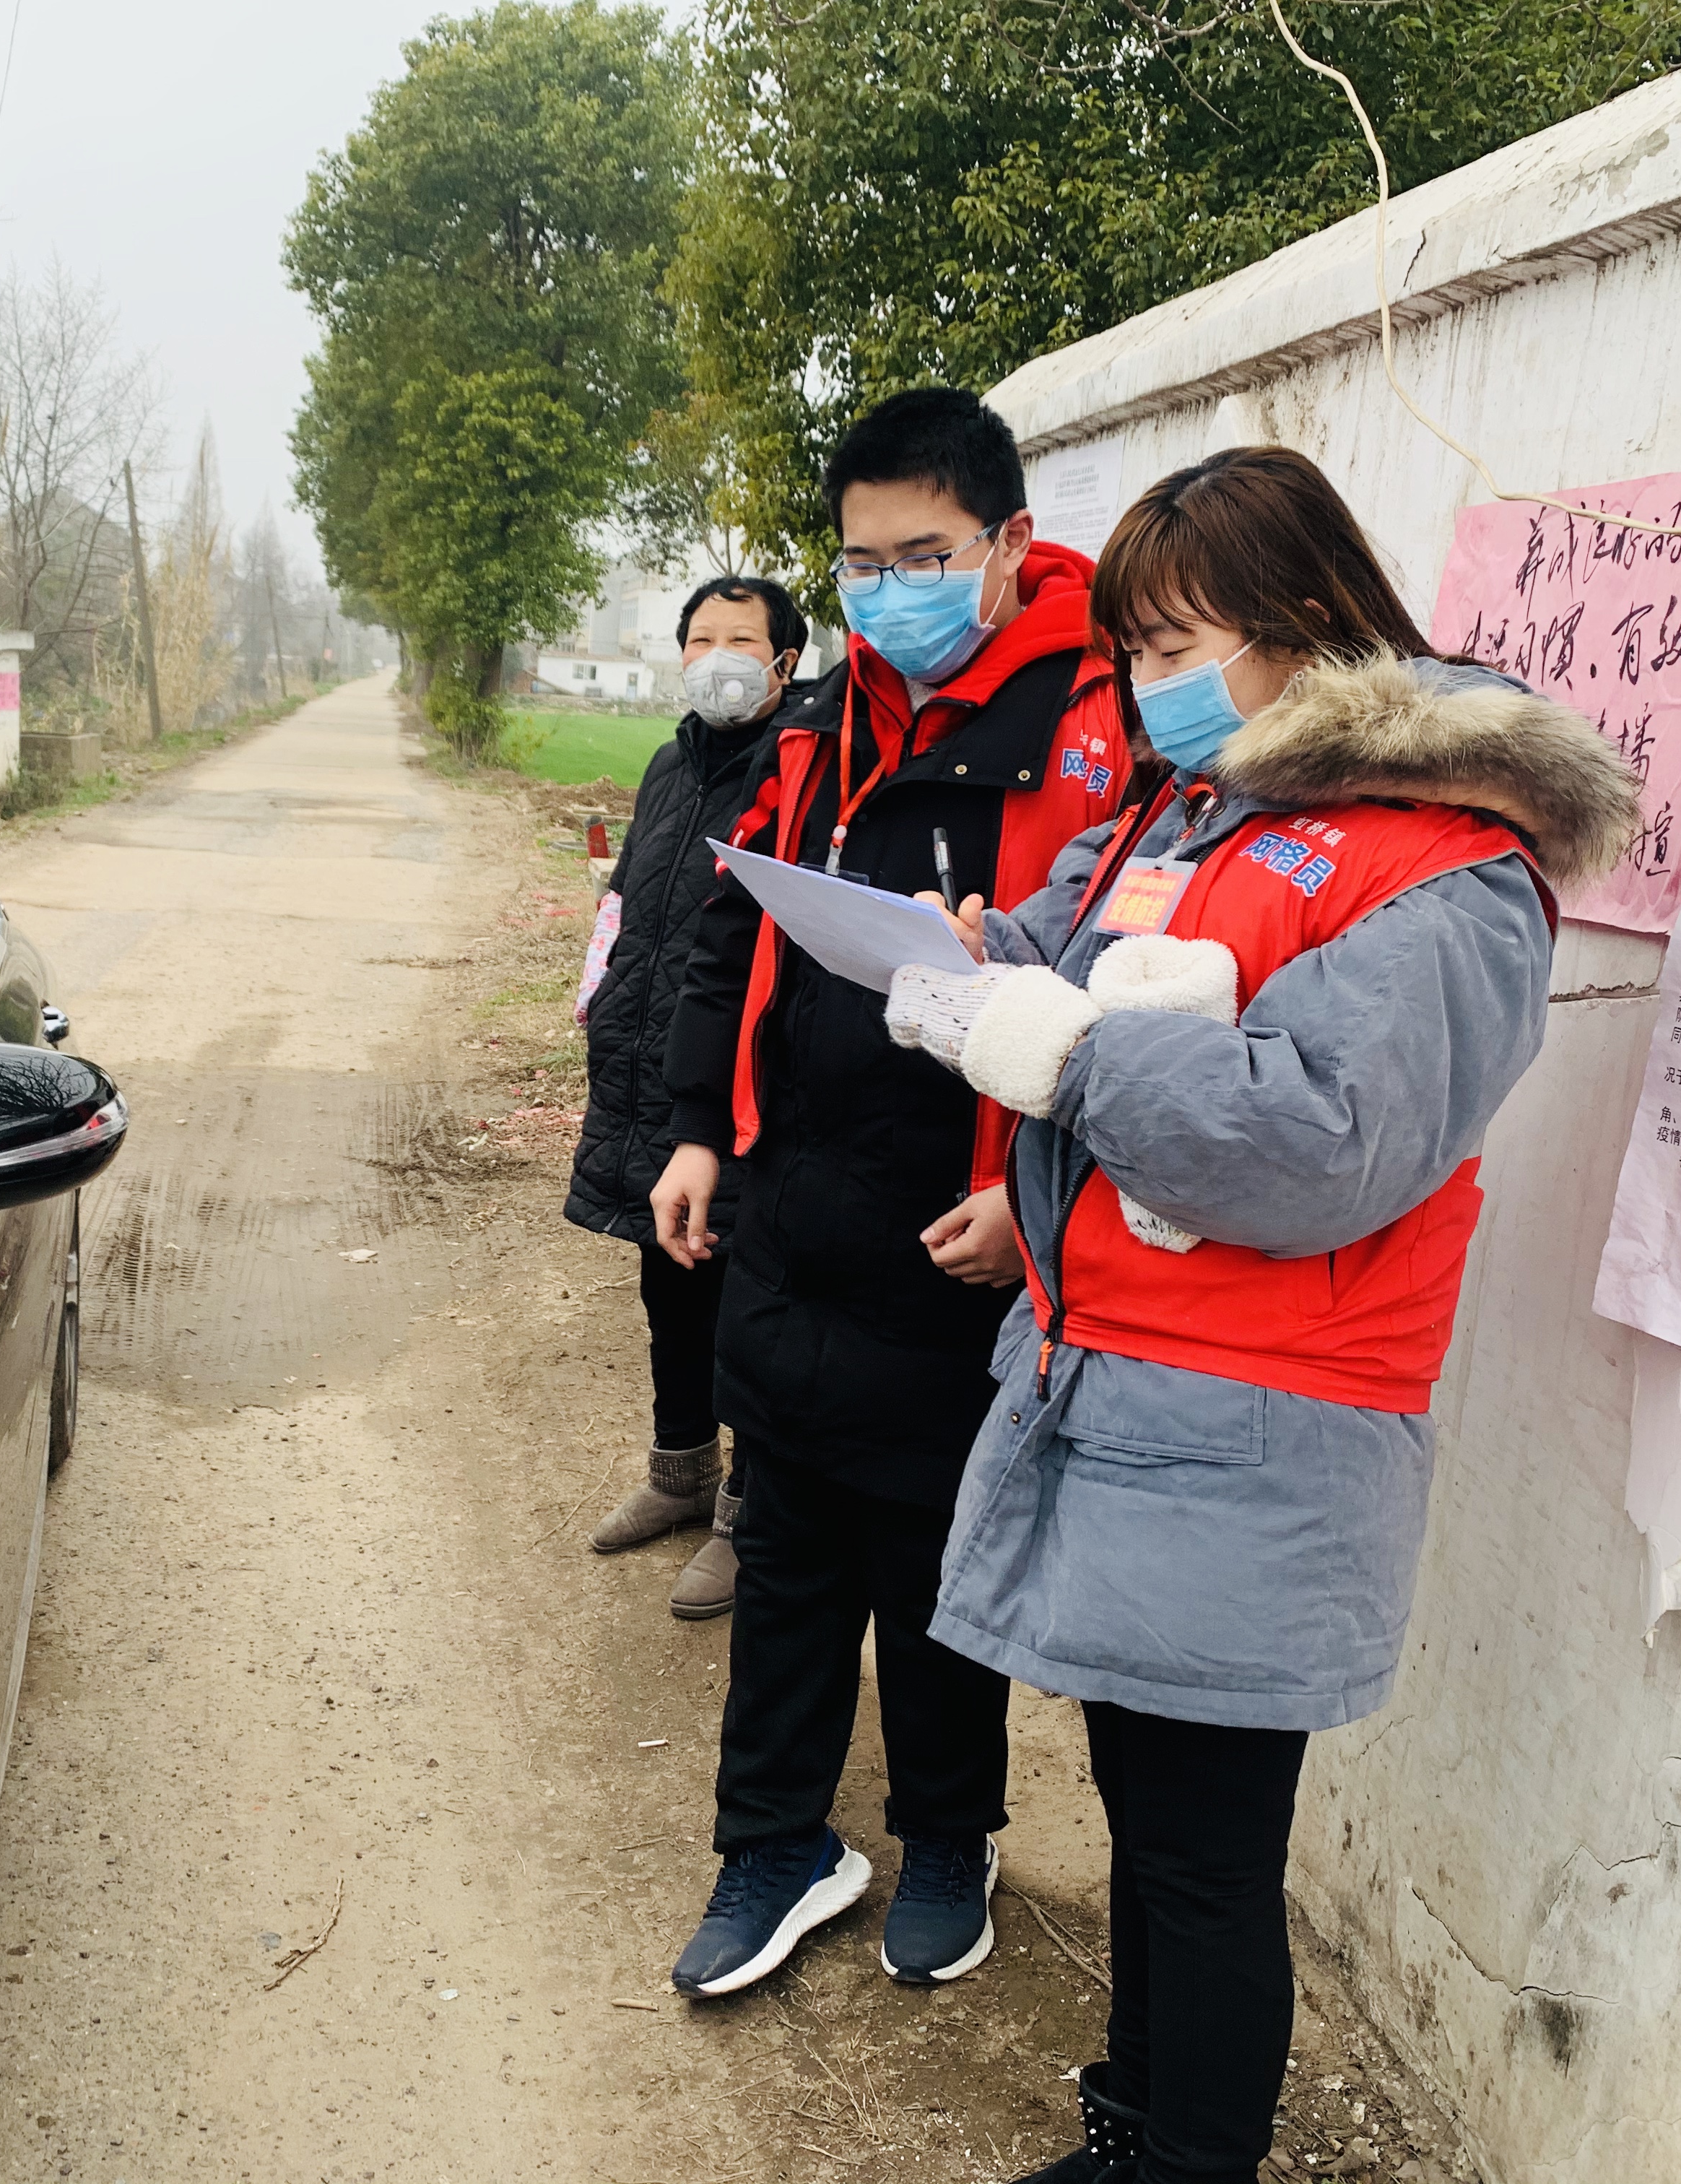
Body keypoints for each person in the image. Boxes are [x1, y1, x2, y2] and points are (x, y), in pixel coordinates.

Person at [879, 446, 1638, 2184]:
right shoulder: (1193, 812)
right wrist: (963, 952)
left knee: (1211, 1858)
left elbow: (1321, 1145)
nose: (1148, 687)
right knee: (1150, 1831)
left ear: (1306, 623)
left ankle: (1189, 2156)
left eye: (1175, 644)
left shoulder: (1451, 868)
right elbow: (1059, 950)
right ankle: (1136, 2127)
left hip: (1264, 1428)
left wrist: (1062, 1049)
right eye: (1130, 649)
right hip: (1110, 1382)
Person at [654, 386, 1133, 1998]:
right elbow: (738, 929)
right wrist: (700, 1130)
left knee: (936, 1566)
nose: (886, 591)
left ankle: (948, 1837)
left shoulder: (1096, 718)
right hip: (795, 1200)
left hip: (959, 1217)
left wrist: (1031, 1198)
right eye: (858, 563)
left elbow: (1121, 981)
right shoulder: (830, 720)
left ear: (1005, 544)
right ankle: (775, 1845)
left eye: (921, 555)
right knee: (786, 1539)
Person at [567, 574, 809, 1619]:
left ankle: (746, 1514)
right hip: (649, 1073)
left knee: (742, 1302)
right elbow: (628, 899)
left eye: (740, 640)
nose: (717, 655)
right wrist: (604, 998)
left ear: (785, 663)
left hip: (743, 1095)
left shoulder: (802, 771)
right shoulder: (671, 764)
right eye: (699, 637)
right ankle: (680, 1475)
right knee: (665, 1285)